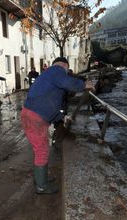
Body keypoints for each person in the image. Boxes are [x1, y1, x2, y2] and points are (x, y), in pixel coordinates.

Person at [21, 57, 95, 194]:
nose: (66, 72)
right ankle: (41, 186)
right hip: (35, 118)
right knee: (42, 150)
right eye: (66, 69)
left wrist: (62, 117)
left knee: (40, 150)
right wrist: (84, 85)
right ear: (65, 65)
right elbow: (68, 82)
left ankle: (40, 179)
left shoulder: (48, 75)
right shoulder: (57, 70)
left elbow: (51, 105)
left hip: (32, 115)